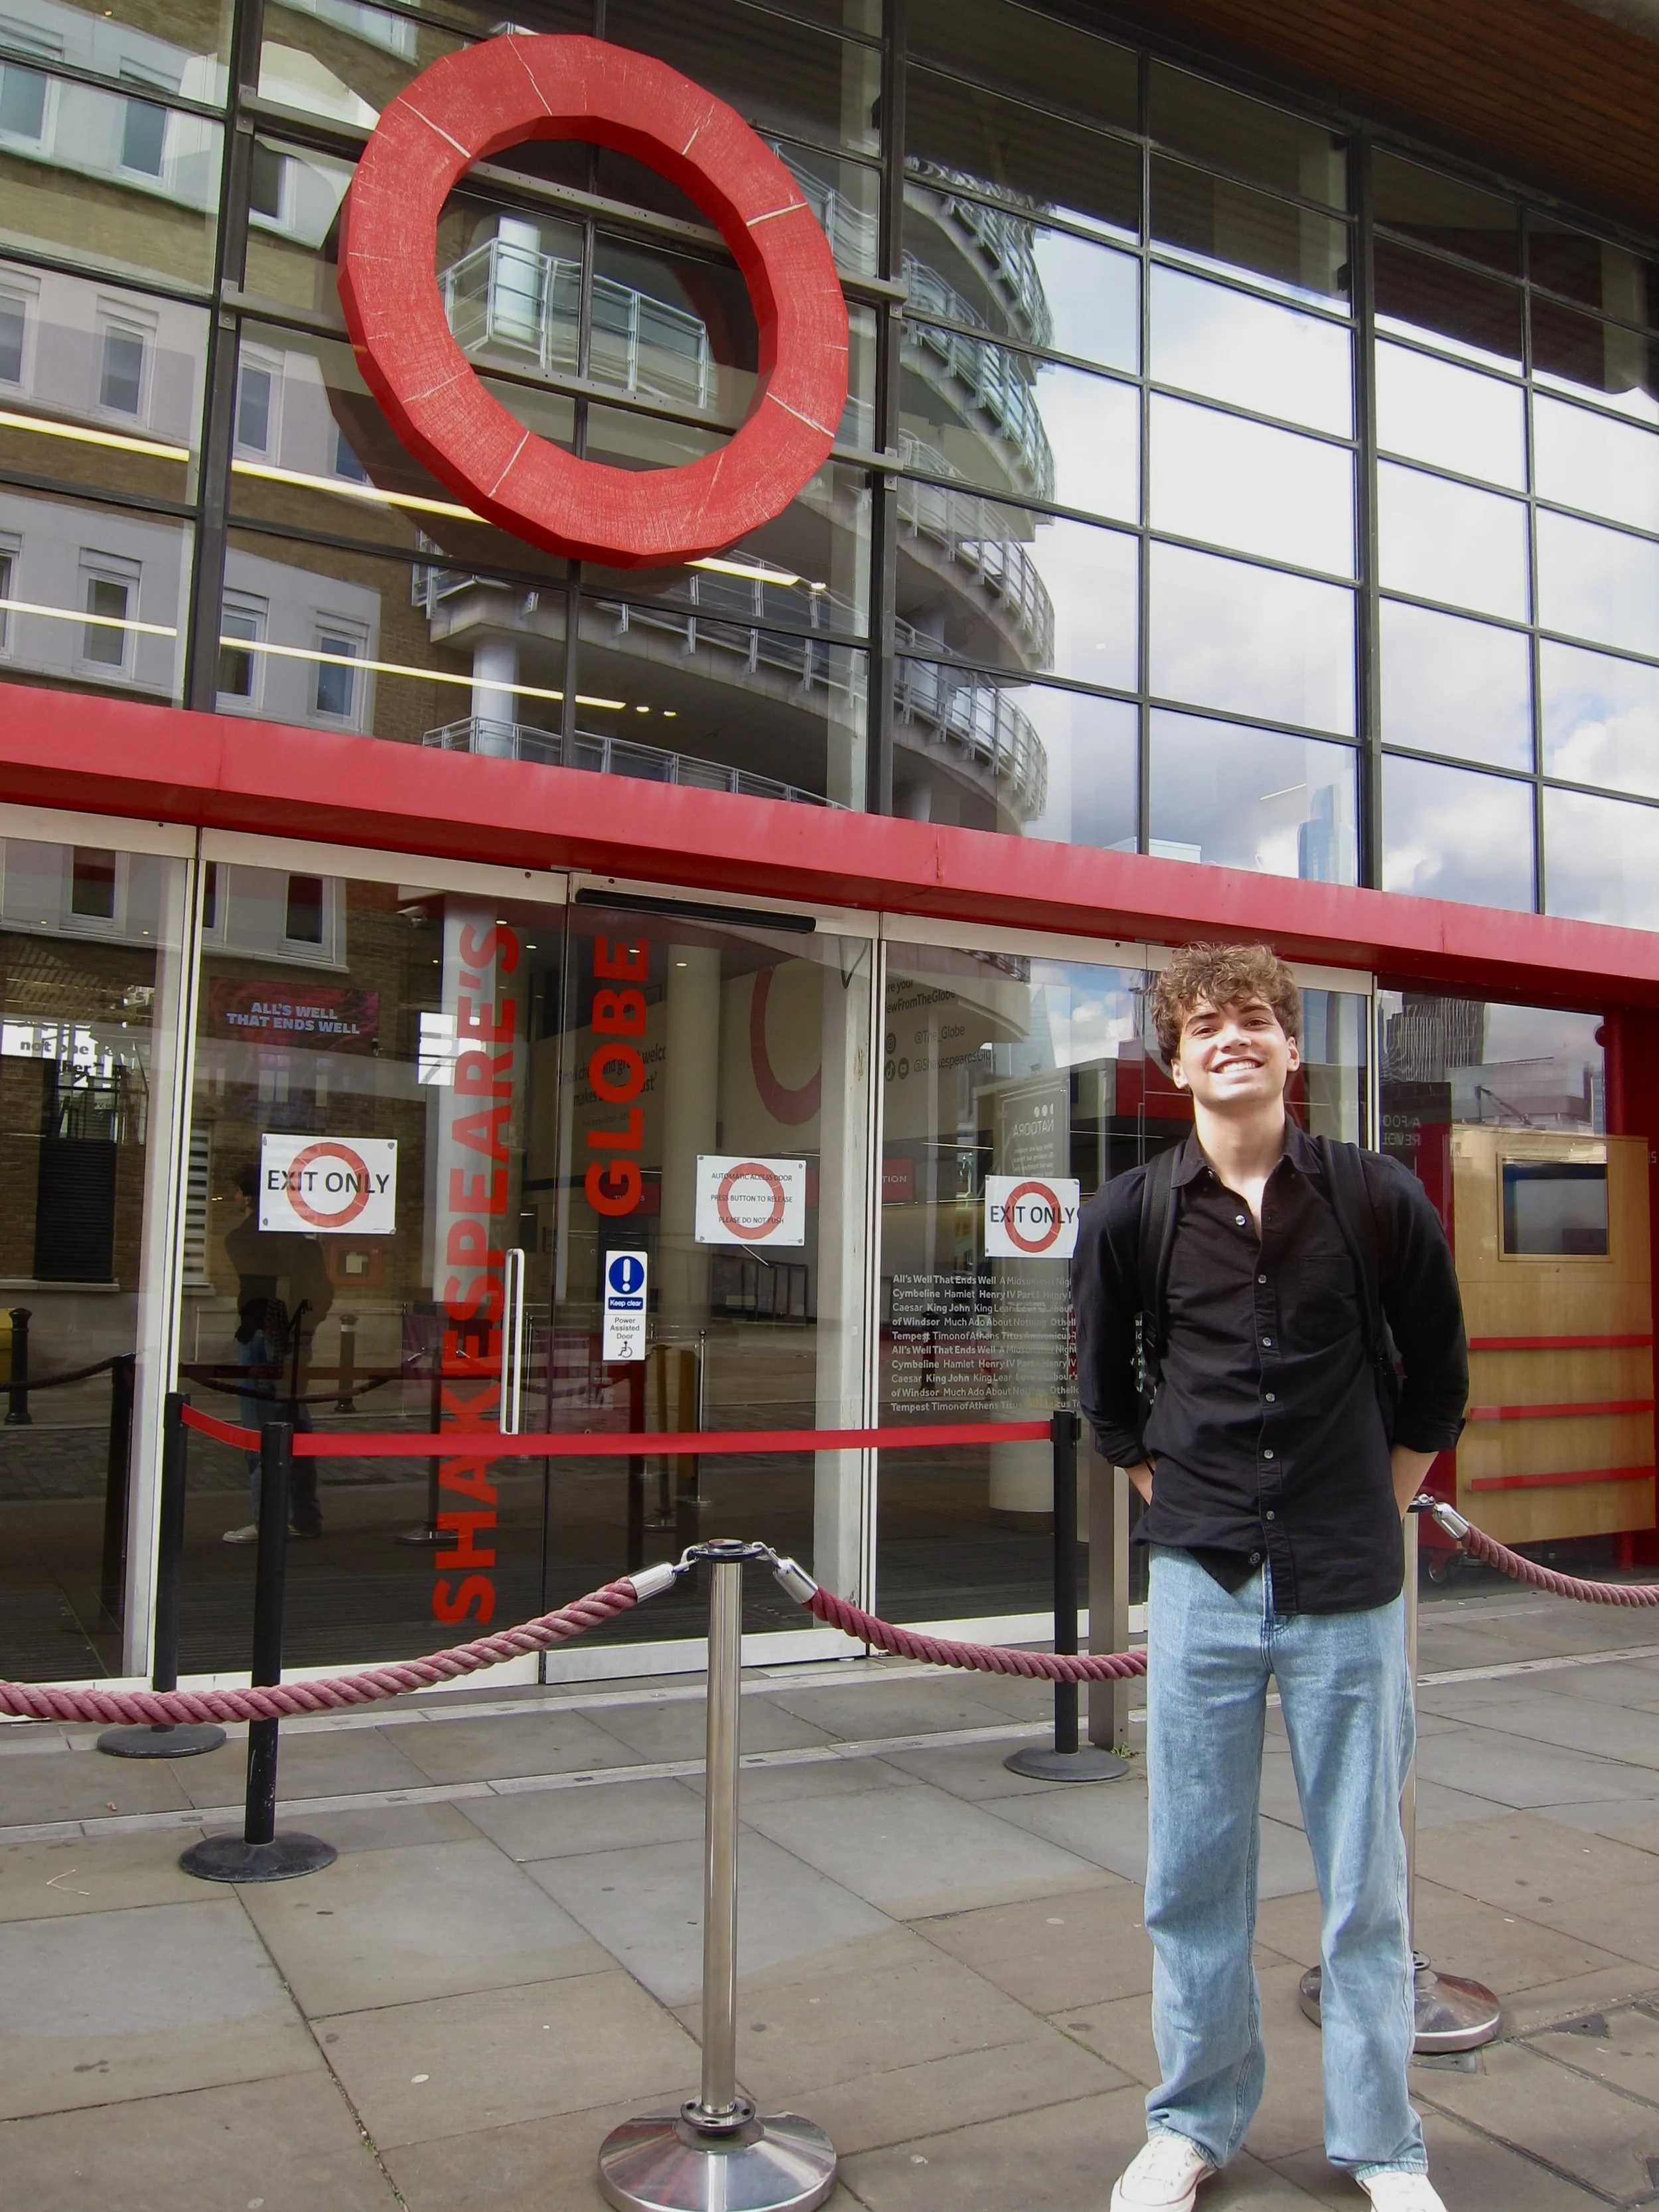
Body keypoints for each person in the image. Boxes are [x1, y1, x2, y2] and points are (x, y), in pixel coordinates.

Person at [1072, 945, 1468, 2212]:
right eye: (1204, 1024)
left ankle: (1384, 2143)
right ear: (1175, 1061)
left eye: (1254, 1019)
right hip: (1203, 1584)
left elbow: (1439, 1382)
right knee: (1192, 1872)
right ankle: (1191, 2121)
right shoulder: (1132, 1210)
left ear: (1294, 1048)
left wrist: (1378, 1501)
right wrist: (1175, 1497)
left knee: (1366, 1882)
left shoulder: (1376, 1195)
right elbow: (1110, 1399)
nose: (1230, 1036)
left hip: (1352, 1580)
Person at [221, 1161, 334, 1542]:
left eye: (238, 1192)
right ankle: (305, 1517)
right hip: (297, 1340)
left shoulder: (242, 1239)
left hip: (262, 1335)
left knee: (260, 1431)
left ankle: (269, 1519)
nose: (234, 1198)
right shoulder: (300, 1241)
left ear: (250, 1197)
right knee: (296, 1427)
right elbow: (320, 1291)